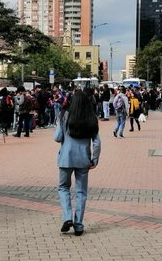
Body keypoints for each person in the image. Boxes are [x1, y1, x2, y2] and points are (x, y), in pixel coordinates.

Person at [54, 90, 101, 237]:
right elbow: (97, 142)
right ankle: (79, 225)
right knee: (81, 192)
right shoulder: (92, 118)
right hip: (83, 159)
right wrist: (94, 159)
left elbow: (57, 137)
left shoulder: (64, 116)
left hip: (66, 158)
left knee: (63, 187)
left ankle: (67, 217)